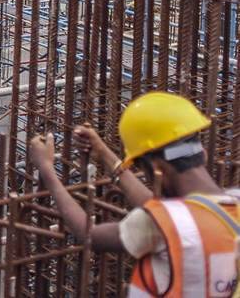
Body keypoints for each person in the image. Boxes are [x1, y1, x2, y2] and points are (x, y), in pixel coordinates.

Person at [28, 91, 239, 297]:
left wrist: (47, 170)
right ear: (202, 153)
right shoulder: (233, 203)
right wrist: (103, 154)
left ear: (158, 171)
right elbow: (160, 208)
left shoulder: (162, 222)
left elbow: (91, 235)